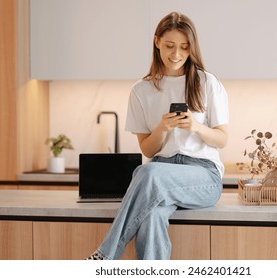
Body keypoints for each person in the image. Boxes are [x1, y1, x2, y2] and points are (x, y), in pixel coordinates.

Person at [86, 11, 229, 260]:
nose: (176, 54)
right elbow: (148, 151)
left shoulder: (207, 83)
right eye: (169, 46)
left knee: (146, 172)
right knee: (151, 215)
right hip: (159, 174)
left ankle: (106, 256)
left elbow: (222, 139)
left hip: (203, 176)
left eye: (184, 47)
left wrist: (195, 126)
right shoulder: (141, 90)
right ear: (156, 43)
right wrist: (163, 128)